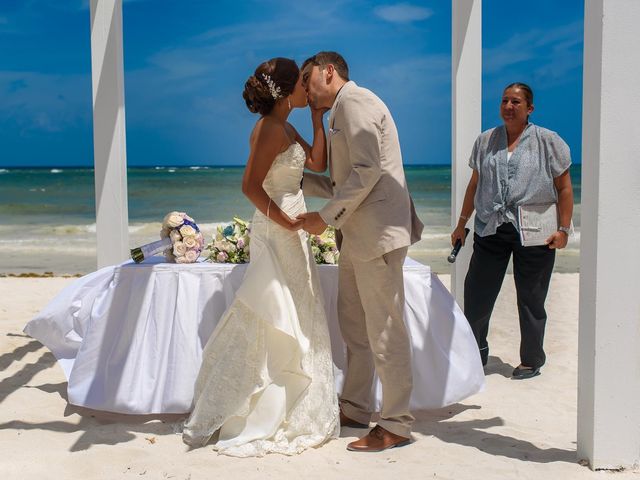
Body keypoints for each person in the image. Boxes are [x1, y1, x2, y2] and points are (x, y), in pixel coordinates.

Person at [182, 57, 339, 456]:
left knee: (298, 308)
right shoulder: (269, 128)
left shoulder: (286, 124)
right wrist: (285, 223)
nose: (309, 89)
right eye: (303, 85)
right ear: (288, 91)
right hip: (277, 229)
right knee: (274, 311)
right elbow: (250, 186)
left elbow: (317, 163)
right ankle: (258, 406)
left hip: (293, 226)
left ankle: (294, 399)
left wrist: (318, 119)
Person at [299, 51, 424, 452]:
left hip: (377, 236)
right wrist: (298, 180)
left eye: (307, 79)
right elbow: (344, 182)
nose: (303, 88)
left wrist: (324, 218)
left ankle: (397, 424)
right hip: (357, 237)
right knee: (355, 327)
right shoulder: (339, 110)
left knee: (385, 329)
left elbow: (367, 172)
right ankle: (355, 406)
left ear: (328, 72)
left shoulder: (355, 102)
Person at [451, 82, 574, 380]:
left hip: (535, 229)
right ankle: (476, 350)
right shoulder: (485, 141)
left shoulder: (549, 141)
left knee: (531, 297)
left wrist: (563, 230)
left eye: (516, 102)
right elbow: (474, 183)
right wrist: (461, 222)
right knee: (477, 292)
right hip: (491, 227)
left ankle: (531, 360)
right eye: (505, 101)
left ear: (529, 109)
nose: (509, 106)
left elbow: (565, 187)